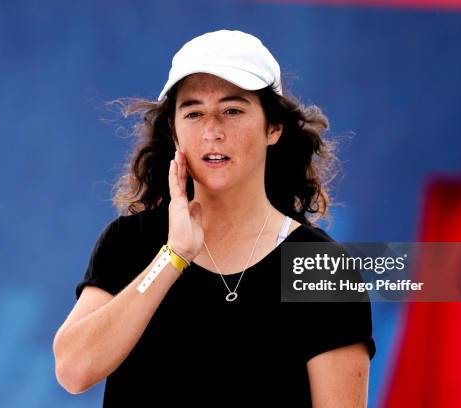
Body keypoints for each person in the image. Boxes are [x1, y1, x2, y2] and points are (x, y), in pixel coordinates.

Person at [53, 29, 376, 407]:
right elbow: (73, 370)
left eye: (232, 110)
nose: (212, 131)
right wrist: (172, 257)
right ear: (174, 131)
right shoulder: (131, 241)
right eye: (194, 113)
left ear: (273, 127)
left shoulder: (322, 268)